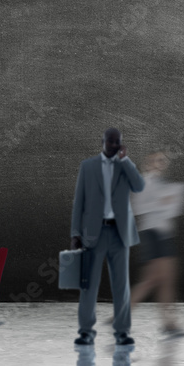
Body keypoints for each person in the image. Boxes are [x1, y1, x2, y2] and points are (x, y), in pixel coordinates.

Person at [70, 127, 144, 347]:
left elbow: (139, 186)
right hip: (94, 233)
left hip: (120, 234)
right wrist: (75, 233)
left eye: (118, 143)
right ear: (102, 141)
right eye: (111, 142)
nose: (114, 146)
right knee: (88, 285)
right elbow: (79, 203)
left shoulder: (125, 166)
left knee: (121, 286)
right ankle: (86, 331)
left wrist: (126, 160)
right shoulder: (88, 166)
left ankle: (122, 331)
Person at [129, 151, 184, 337]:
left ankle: (167, 323)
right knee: (160, 280)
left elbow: (171, 207)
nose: (161, 163)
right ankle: (168, 324)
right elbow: (137, 206)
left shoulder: (163, 183)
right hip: (154, 234)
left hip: (162, 234)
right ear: (148, 163)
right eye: (156, 160)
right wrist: (162, 202)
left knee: (157, 280)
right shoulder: (144, 182)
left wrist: (167, 202)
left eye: (162, 160)